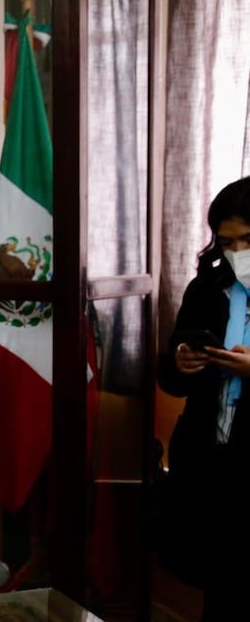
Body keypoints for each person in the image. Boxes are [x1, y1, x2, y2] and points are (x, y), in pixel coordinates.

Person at [157, 175, 250, 621]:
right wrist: (180, 361)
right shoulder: (207, 288)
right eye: (227, 242)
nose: (237, 254)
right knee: (216, 593)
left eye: (248, 240)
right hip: (210, 465)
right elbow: (170, 376)